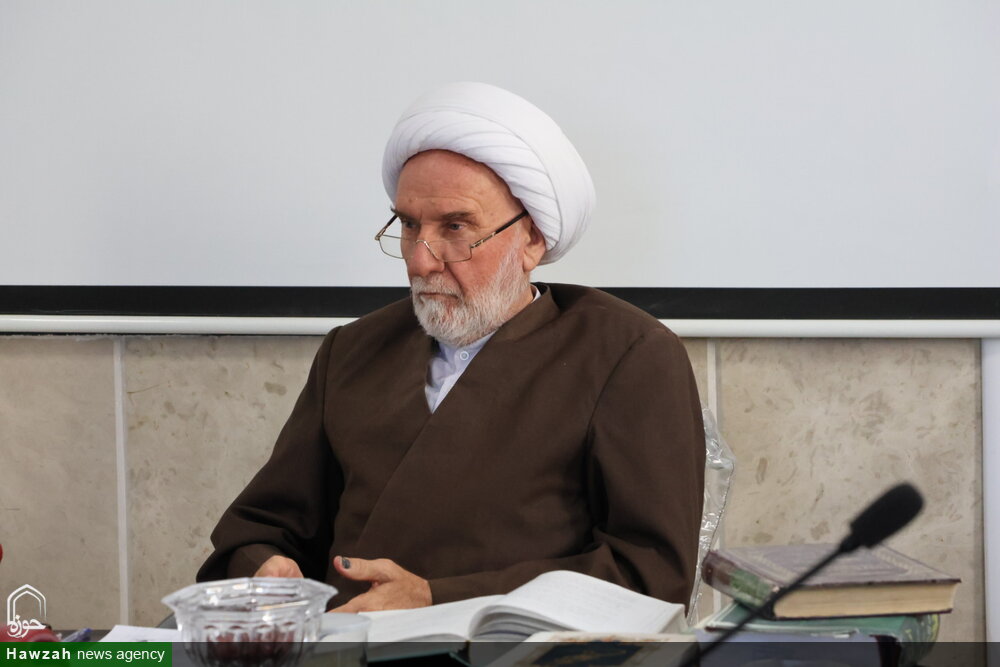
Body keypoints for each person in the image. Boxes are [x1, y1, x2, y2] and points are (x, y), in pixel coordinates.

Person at [197, 82, 705, 612]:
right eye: (409, 225)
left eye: (456, 227)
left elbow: (648, 574)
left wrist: (437, 599)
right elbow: (265, 527)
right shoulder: (352, 351)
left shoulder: (628, 356)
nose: (420, 261)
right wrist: (265, 566)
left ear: (532, 240)